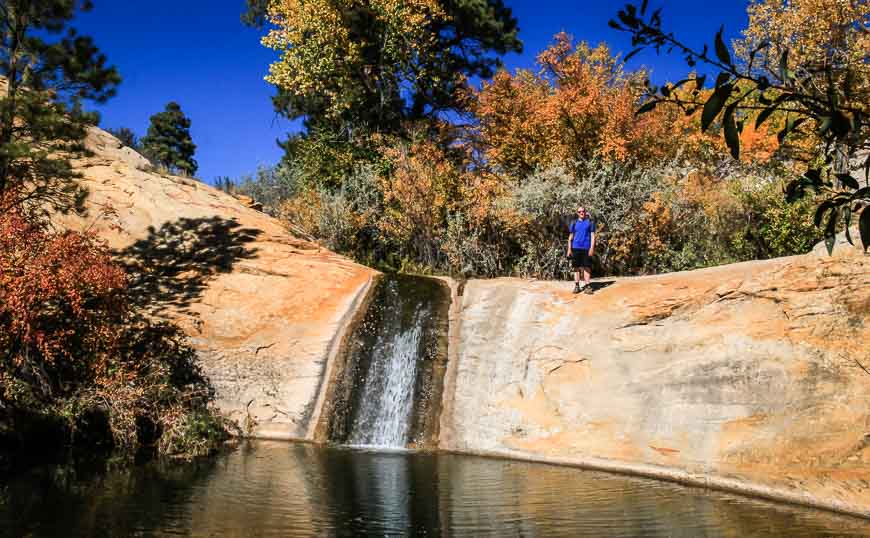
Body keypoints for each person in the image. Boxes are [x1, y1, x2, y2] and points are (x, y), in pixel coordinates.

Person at [567, 206, 596, 294]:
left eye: (583, 211)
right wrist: (569, 249)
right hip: (575, 248)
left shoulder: (590, 222)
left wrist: (592, 248)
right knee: (576, 268)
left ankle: (587, 286)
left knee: (587, 267)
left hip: (586, 248)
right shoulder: (574, 223)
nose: (581, 213)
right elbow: (570, 237)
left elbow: (593, 236)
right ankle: (577, 286)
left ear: (585, 212)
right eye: (579, 212)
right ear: (577, 213)